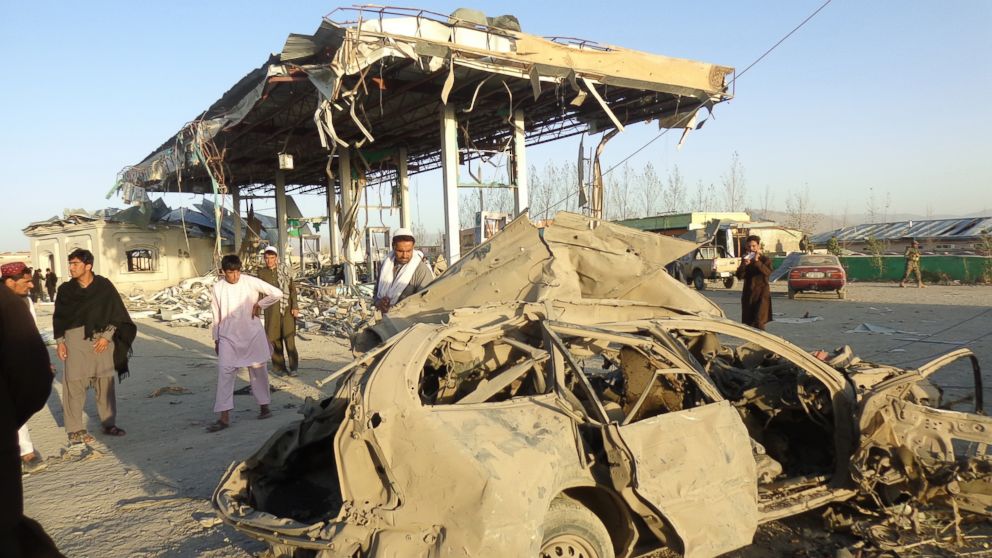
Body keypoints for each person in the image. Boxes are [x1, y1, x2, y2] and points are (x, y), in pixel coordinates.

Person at [1, 273, 65, 557]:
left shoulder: (13, 304)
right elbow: (33, 377)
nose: (30, 284)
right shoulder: (6, 305)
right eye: (24, 280)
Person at [53, 249, 136, 445]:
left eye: (75, 264)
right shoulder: (65, 289)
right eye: (70, 264)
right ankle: (74, 429)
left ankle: (109, 423)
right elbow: (59, 317)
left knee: (104, 383)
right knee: (74, 384)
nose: (71, 268)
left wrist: (107, 337)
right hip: (75, 340)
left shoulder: (104, 286)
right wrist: (60, 342)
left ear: (88, 266)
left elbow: (116, 313)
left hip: (101, 340)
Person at [208, 254, 283, 432]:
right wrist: (216, 339)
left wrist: (260, 304)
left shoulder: (250, 281)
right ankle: (224, 417)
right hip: (228, 337)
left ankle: (264, 406)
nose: (234, 276)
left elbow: (277, 293)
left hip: (252, 335)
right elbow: (215, 315)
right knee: (225, 373)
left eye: (237, 272)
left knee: (258, 371)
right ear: (223, 272)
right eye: (230, 273)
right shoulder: (217, 288)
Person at [1, 263, 48, 474]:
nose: (31, 285)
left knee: (15, 406)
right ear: (10, 282)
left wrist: (41, 361)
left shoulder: (26, 301)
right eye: (26, 281)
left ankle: (26, 452)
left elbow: (32, 334)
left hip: (16, 363)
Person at [255, 247, 299, 377]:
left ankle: (294, 367)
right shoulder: (261, 273)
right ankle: (279, 368)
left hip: (286, 309)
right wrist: (257, 309)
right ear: (264, 259)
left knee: (289, 337)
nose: (269, 261)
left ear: (277, 258)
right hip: (271, 310)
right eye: (267, 258)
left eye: (272, 258)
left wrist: (295, 306)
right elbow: (259, 292)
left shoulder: (285, 271)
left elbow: (292, 290)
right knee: (274, 339)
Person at [373, 228, 435, 314]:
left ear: (413, 247)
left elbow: (426, 301)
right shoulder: (385, 266)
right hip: (385, 320)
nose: (405, 255)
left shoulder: (421, 270)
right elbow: (376, 293)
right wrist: (379, 303)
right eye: (400, 251)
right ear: (393, 247)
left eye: (408, 251)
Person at [735, 235, 773, 330]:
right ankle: (750, 344)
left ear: (758, 246)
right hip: (748, 295)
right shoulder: (745, 259)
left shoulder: (765, 260)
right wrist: (744, 265)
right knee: (748, 323)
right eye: (748, 246)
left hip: (762, 295)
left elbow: (767, 273)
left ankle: (761, 343)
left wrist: (757, 262)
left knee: (759, 321)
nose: (751, 249)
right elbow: (739, 276)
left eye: (753, 246)